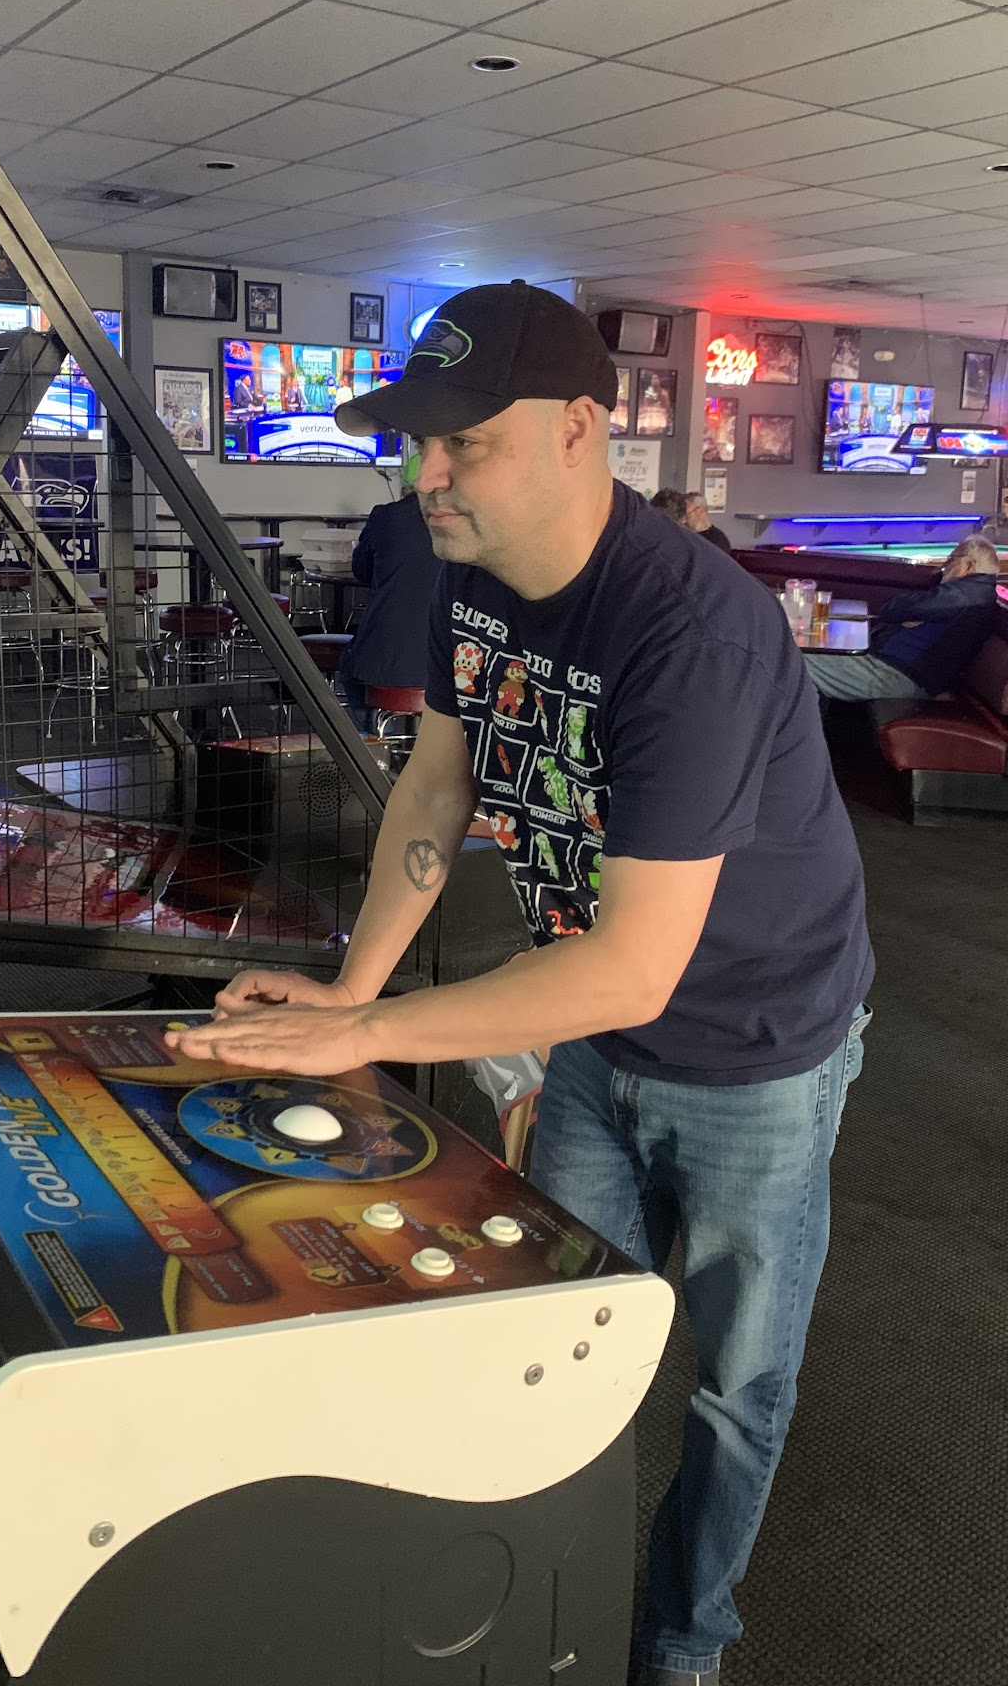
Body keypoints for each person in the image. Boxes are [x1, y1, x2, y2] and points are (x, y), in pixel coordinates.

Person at [175, 281, 873, 1686]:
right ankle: (544, 1620)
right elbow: (435, 789)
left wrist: (370, 1033)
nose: (425, 476)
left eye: (464, 444)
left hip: (755, 1046)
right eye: (416, 443)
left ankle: (680, 1644)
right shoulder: (469, 576)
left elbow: (635, 967)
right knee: (543, 1332)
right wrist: (350, 994)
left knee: (736, 1386)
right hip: (591, 1030)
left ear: (578, 429)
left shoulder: (694, 631)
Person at [803, 535, 999, 704]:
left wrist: (904, 616)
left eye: (951, 559)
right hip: (897, 671)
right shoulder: (976, 592)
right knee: (802, 665)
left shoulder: (959, 595)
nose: (944, 567)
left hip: (895, 676)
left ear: (967, 566)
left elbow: (894, 609)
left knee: (796, 660)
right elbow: (901, 611)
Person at [336, 466, 439, 729]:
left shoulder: (386, 516)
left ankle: (380, 740)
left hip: (384, 661)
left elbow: (362, 570)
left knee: (349, 674)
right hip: (451, 668)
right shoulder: (465, 522)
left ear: (406, 486)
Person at [650, 486, 733, 555]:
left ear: (700, 510)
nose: (684, 519)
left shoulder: (718, 541)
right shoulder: (683, 536)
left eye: (686, 512)